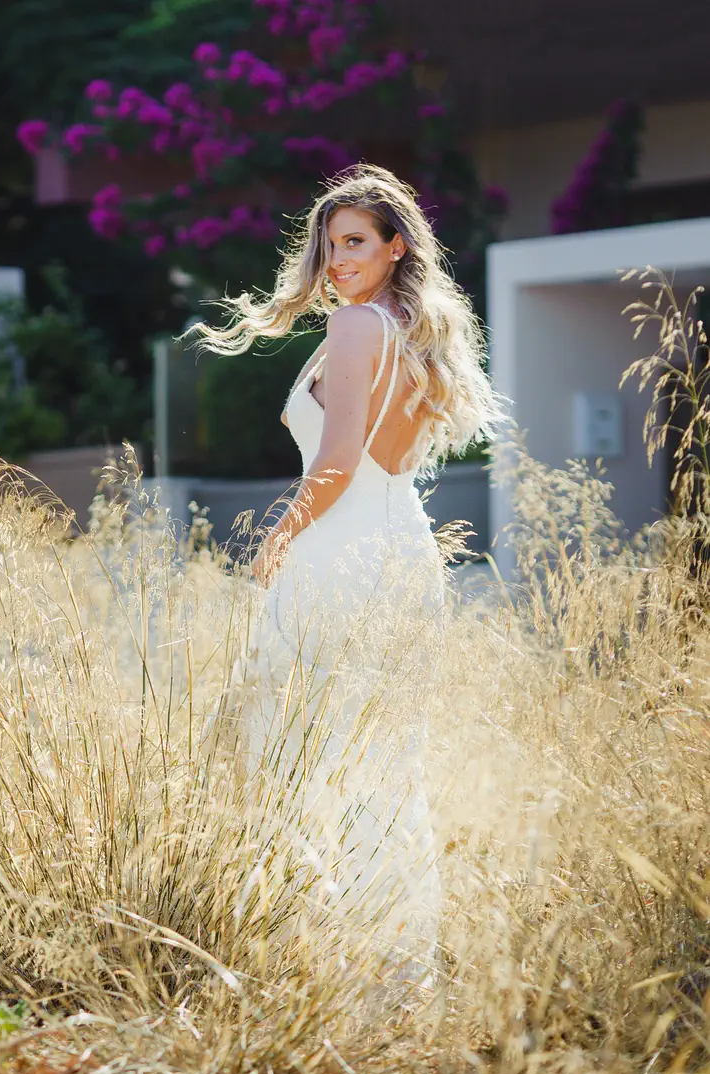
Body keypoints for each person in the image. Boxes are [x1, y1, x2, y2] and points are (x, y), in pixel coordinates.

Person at [188, 164, 504, 997]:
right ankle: (395, 972)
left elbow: (335, 462)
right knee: (383, 767)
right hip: (401, 551)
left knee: (292, 752)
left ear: (397, 246)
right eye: (330, 245)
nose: (339, 259)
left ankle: (330, 963)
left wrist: (278, 536)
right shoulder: (415, 331)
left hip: (340, 555)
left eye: (357, 241)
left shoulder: (360, 325)